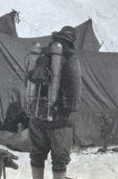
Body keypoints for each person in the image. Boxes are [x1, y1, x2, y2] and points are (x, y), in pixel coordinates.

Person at [28, 26, 82, 179]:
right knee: (59, 159)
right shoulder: (71, 57)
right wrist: (69, 111)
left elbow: (30, 78)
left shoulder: (41, 53)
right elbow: (75, 86)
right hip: (59, 116)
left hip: (37, 112)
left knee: (37, 154)